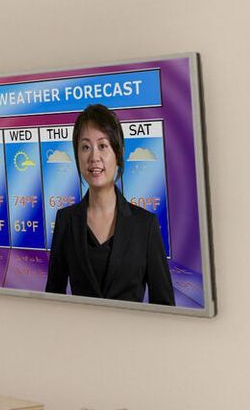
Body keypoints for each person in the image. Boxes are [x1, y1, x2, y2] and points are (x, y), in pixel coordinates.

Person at [44, 103, 174, 305]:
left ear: (119, 153)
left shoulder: (145, 225)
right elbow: (52, 299)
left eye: (103, 146)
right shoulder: (66, 221)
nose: (94, 157)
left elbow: (165, 306)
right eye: (85, 147)